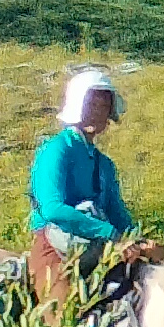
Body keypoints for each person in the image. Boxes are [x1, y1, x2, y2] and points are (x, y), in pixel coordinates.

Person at [28, 67, 136, 253]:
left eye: (104, 107)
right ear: (78, 105)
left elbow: (117, 213)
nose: (98, 112)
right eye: (92, 104)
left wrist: (137, 239)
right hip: (54, 247)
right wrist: (109, 232)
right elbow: (52, 209)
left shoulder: (104, 164)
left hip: (101, 247)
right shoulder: (56, 149)